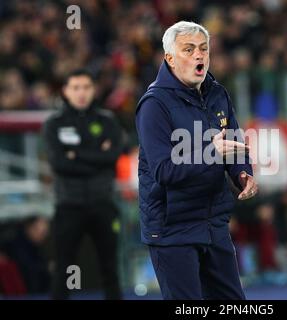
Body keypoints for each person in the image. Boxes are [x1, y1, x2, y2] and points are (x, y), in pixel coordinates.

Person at [135, 21, 258, 300]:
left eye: (203, 49)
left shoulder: (218, 94)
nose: (199, 55)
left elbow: (235, 146)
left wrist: (242, 175)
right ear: (170, 58)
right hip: (171, 228)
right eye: (188, 50)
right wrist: (211, 153)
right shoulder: (154, 105)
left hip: (213, 222)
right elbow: (164, 171)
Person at [43, 69, 123, 300]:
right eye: (76, 88)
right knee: (64, 268)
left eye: (86, 87)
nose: (81, 93)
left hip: (103, 204)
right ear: (65, 91)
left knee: (110, 267)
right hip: (69, 205)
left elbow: (112, 159)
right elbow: (59, 164)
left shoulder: (107, 120)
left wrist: (75, 155)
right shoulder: (54, 123)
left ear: (93, 90)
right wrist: (98, 155)